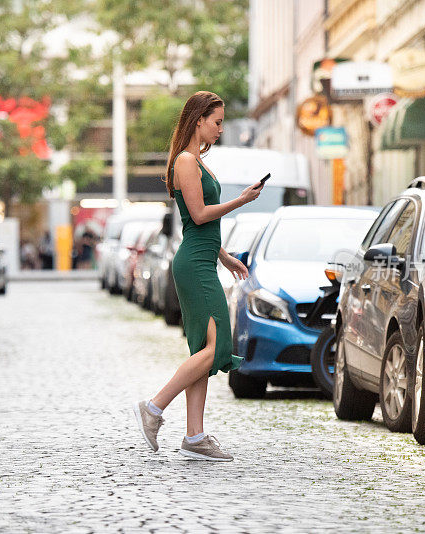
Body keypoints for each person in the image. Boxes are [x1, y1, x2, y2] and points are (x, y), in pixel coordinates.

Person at [132, 91, 263, 461]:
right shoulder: (187, 162)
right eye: (217, 122)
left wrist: (225, 256)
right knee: (217, 346)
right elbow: (201, 215)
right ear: (198, 120)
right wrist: (242, 200)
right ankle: (154, 407)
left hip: (203, 260)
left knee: (204, 349)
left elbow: (197, 225)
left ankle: (195, 435)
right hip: (193, 265)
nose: (221, 129)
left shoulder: (197, 162)